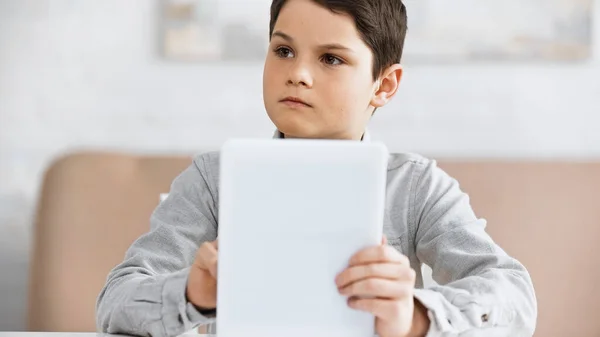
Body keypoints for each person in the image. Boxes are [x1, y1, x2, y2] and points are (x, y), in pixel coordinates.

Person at [96, 0, 537, 336]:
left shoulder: (417, 187)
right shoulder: (214, 180)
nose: (298, 74)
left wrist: (416, 316)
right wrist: (194, 295)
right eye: (283, 50)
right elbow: (115, 301)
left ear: (384, 84)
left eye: (331, 58)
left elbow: (515, 295)